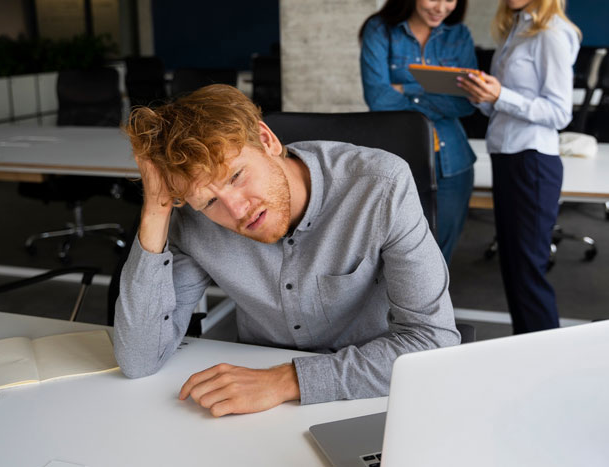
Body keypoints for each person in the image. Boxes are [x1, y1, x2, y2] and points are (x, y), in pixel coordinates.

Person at [114, 84, 459, 417]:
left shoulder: (380, 185)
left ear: (267, 141)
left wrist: (287, 380)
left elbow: (433, 342)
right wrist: (155, 210)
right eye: (209, 201)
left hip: (373, 392)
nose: (236, 210)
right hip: (254, 404)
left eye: (236, 176)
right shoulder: (194, 219)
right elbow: (139, 358)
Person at [458, 0, 580, 333]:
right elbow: (503, 104)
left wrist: (501, 96)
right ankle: (528, 353)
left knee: (527, 273)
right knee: (513, 269)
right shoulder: (515, 27)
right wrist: (484, 96)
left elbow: (559, 113)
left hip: (532, 161)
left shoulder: (552, 33)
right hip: (508, 155)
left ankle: (546, 360)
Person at [359, 0, 478, 264]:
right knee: (394, 255)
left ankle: (434, 307)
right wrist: (437, 91)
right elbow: (378, 97)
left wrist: (406, 88)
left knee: (439, 259)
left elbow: (466, 102)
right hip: (397, 158)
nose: (441, 7)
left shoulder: (459, 35)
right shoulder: (380, 30)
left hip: (452, 163)